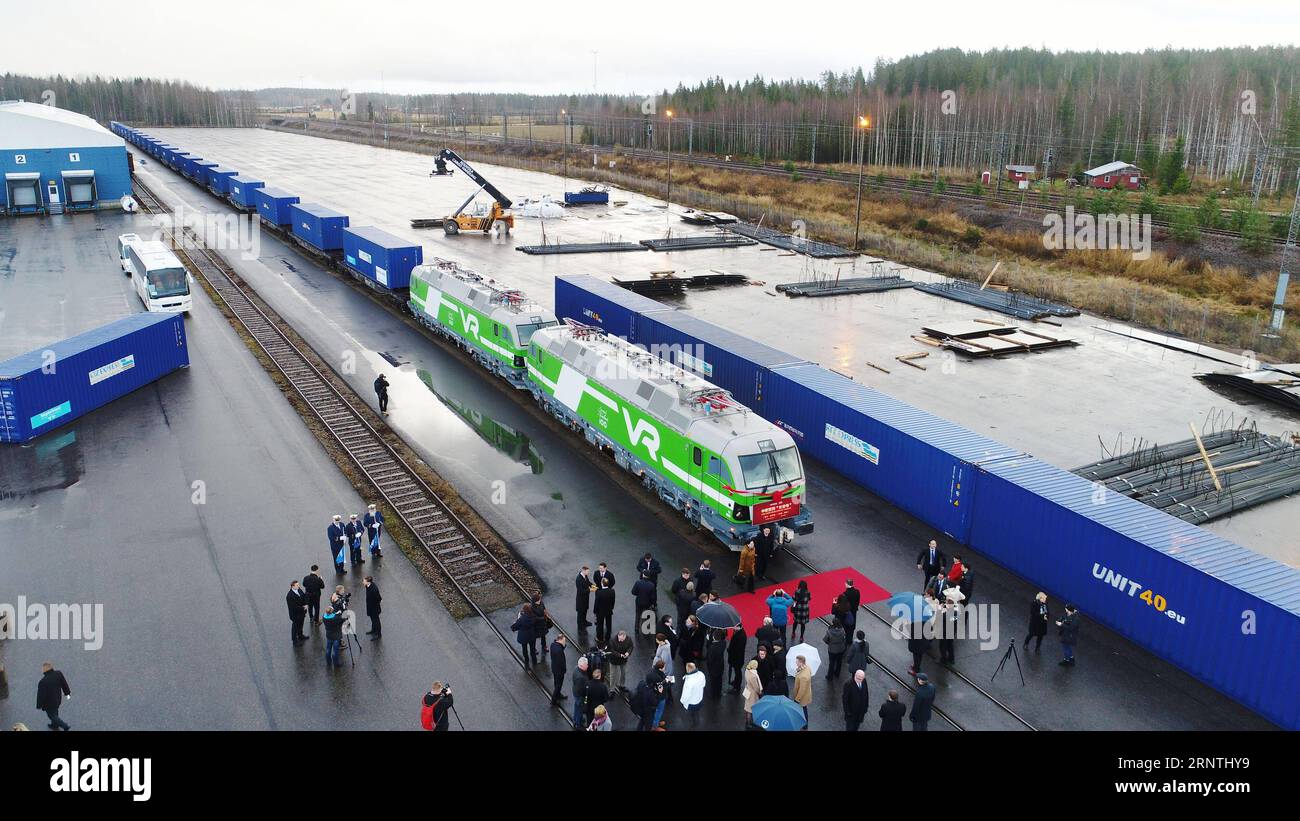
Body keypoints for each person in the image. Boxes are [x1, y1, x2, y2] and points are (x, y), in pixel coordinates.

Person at [36, 663, 71, 731]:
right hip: (57, 698)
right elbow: (64, 684)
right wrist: (67, 693)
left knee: (52, 716)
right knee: (55, 712)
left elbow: (41, 695)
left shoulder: (43, 681)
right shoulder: (58, 674)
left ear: (44, 670)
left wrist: (39, 705)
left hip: (49, 703)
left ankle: (65, 726)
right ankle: (54, 725)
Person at [679, 662, 705, 728]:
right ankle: (697, 721)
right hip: (699, 698)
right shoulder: (701, 674)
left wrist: (682, 701)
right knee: (697, 711)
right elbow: (703, 684)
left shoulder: (689, 681)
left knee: (692, 714)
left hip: (692, 702)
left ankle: (694, 725)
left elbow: (686, 695)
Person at [607, 629, 633, 694]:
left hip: (623, 659)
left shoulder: (628, 639)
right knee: (613, 674)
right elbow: (612, 650)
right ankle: (612, 689)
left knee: (623, 673)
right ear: (618, 636)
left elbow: (631, 647)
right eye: (620, 639)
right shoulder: (612, 640)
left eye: (623, 639)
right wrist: (620, 655)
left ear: (625, 636)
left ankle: (622, 685)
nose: (621, 641)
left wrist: (628, 653)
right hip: (614, 659)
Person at [792, 655, 813, 727]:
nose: (796, 662)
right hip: (807, 693)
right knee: (803, 709)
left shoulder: (803, 676)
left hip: (802, 697)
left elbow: (802, 690)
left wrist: (797, 699)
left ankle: (805, 724)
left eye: (797, 661)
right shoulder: (807, 667)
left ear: (801, 662)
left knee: (803, 709)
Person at [570, 656, 590, 730]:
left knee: (577, 706)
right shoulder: (580, 677)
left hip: (575, 692)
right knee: (579, 708)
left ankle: (576, 719)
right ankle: (578, 724)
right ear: (582, 666)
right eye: (586, 665)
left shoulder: (576, 669)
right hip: (579, 695)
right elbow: (581, 690)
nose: (588, 666)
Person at [705, 630, 726, 699]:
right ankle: (718, 693)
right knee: (719, 680)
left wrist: (708, 641)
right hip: (720, 666)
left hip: (713, 668)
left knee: (713, 682)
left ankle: (714, 695)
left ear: (713, 637)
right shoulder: (723, 643)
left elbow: (710, 660)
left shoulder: (712, 648)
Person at [593, 578, 616, 643]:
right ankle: (607, 637)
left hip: (600, 612)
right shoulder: (612, 591)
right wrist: (611, 608)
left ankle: (600, 638)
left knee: (600, 625)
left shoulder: (599, 593)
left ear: (602, 584)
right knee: (609, 624)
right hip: (609, 610)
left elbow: (596, 603)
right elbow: (613, 601)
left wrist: (595, 611)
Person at [726, 627, 748, 693]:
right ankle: (736, 682)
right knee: (737, 671)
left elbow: (738, 649)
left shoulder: (741, 636)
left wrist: (730, 650)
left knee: (738, 672)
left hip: (737, 658)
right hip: (735, 657)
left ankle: (737, 687)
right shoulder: (737, 632)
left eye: (734, 627)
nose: (733, 628)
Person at [549, 634, 568, 705]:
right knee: (558, 685)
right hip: (559, 670)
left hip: (554, 668)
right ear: (561, 640)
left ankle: (558, 694)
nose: (565, 642)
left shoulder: (553, 645)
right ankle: (554, 700)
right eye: (564, 641)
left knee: (556, 683)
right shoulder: (559, 651)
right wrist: (564, 670)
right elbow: (561, 662)